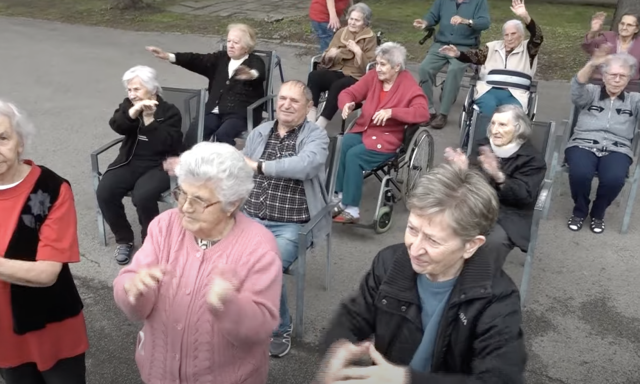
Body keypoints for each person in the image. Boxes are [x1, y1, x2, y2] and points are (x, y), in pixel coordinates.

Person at [317, 163, 526, 384]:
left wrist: (407, 380)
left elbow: (501, 378)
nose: (414, 249)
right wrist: (338, 346)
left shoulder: (497, 298)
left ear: (471, 245)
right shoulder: (389, 263)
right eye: (412, 229)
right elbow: (354, 315)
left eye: (433, 240)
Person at [113, 142, 282, 384]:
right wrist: (131, 288)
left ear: (232, 203)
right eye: (182, 193)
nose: (184, 207)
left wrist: (228, 304)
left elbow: (260, 330)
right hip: (159, 374)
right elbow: (133, 297)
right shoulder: (165, 225)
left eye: (199, 200)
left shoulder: (259, 248)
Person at [0, 100, 88, 384]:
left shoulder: (50, 189)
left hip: (51, 326)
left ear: (20, 143)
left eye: (2, 138)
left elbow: (46, 273)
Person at [243, 80, 330, 357]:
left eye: (294, 100)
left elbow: (306, 165)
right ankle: (237, 316)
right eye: (282, 99)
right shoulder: (260, 132)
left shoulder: (316, 137)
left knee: (266, 267)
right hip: (249, 217)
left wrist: (260, 166)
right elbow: (241, 169)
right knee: (214, 253)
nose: (286, 104)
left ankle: (279, 328)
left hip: (290, 225)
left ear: (308, 107)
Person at [333, 42, 430, 223]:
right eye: (377, 63)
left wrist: (393, 112)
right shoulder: (372, 78)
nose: (378, 68)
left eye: (383, 65)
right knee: (343, 143)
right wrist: (346, 103)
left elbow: (422, 113)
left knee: (355, 156)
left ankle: (352, 209)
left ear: (396, 67)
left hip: (388, 139)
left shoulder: (409, 86)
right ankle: (339, 196)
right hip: (365, 129)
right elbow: (349, 92)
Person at [96, 65, 183, 265]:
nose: (132, 94)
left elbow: (168, 143)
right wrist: (133, 113)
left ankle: (150, 242)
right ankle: (124, 238)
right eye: (129, 89)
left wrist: (150, 120)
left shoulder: (170, 111)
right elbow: (117, 125)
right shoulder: (128, 105)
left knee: (143, 195)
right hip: (131, 160)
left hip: (159, 164)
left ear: (152, 89)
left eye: (137, 89)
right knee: (105, 191)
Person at [444, 105, 546, 268]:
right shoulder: (483, 146)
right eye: (493, 124)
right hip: (476, 205)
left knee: (492, 242)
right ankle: (447, 274)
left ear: (518, 129)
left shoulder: (532, 159)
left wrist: (498, 176)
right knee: (443, 226)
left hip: (508, 213)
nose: (495, 130)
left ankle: (480, 283)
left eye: (502, 125)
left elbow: (524, 197)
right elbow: (471, 184)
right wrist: (463, 170)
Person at [146, 23, 266, 148]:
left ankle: (225, 163)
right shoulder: (220, 58)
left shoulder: (255, 61)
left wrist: (251, 74)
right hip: (214, 111)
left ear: (246, 47)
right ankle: (186, 162)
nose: (230, 45)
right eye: (229, 41)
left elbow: (259, 72)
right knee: (195, 131)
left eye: (235, 42)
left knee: (222, 135)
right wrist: (168, 56)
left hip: (239, 115)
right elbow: (196, 59)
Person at [565, 51, 640, 234]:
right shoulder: (590, 92)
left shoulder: (634, 100)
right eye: (612, 74)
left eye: (622, 76)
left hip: (618, 148)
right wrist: (592, 64)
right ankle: (580, 210)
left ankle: (598, 213)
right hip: (583, 143)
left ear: (628, 79)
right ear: (604, 76)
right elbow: (577, 87)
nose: (616, 79)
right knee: (580, 173)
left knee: (614, 179)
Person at [439, 0, 542, 118]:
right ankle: (484, 135)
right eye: (506, 35)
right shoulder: (492, 47)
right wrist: (457, 53)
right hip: (488, 90)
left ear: (521, 35)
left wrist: (525, 16)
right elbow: (474, 57)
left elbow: (538, 36)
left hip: (516, 94)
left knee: (509, 115)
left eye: (513, 34)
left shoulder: (529, 49)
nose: (509, 38)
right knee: (488, 111)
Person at [413, 0, 490, 129]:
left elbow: (485, 23)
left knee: (454, 70)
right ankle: (428, 109)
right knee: (424, 68)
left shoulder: (479, 2)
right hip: (441, 44)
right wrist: (425, 23)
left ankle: (443, 113)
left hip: (465, 47)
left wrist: (466, 21)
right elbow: (433, 15)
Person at [307, 3, 378, 129]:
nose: (352, 22)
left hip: (356, 76)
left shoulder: (370, 37)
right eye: (351, 19)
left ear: (365, 22)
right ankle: (310, 120)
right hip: (337, 70)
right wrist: (330, 55)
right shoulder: (341, 33)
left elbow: (368, 68)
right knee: (314, 76)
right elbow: (325, 60)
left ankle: (320, 125)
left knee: (338, 86)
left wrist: (357, 51)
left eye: (357, 20)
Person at [582, 11, 640, 79]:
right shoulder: (607, 37)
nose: (624, 27)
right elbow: (588, 47)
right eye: (622, 24)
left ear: (636, 29)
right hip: (602, 81)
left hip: (631, 85)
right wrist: (593, 31)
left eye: (629, 25)